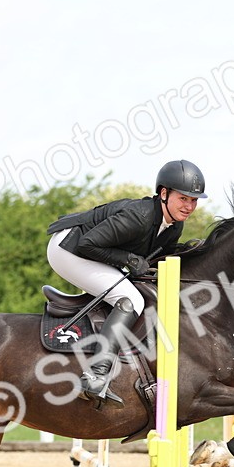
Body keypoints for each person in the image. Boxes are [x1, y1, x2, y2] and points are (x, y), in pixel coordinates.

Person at [46, 159, 207, 408]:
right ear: (164, 194)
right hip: (68, 248)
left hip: (89, 249)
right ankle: (95, 375)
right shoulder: (139, 216)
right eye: (183, 198)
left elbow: (157, 257)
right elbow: (88, 244)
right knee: (131, 300)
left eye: (194, 200)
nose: (189, 206)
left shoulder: (174, 226)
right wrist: (130, 260)